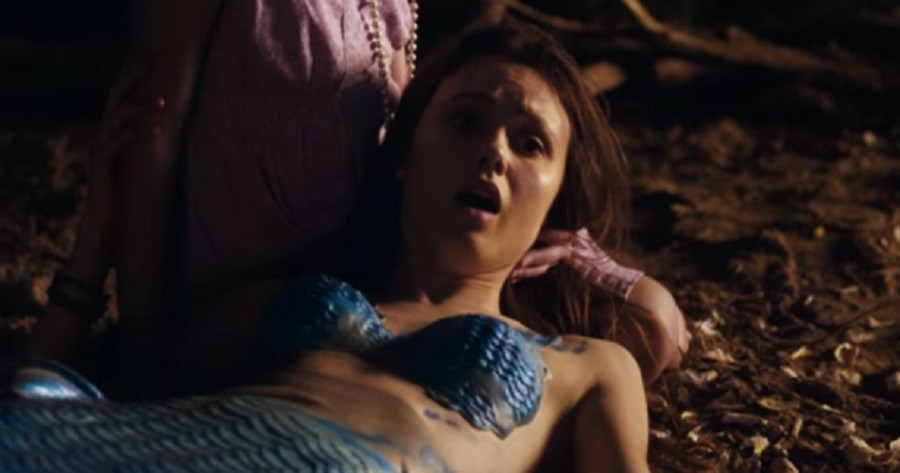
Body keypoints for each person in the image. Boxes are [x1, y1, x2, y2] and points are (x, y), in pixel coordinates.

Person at [2, 21, 652, 472]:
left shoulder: (590, 366)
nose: (493, 152)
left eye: (530, 142)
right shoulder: (281, 300)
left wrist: (605, 271)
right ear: (405, 155)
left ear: (557, 197)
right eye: (465, 120)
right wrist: (96, 237)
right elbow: (138, 369)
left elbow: (661, 331)